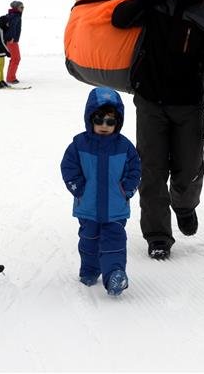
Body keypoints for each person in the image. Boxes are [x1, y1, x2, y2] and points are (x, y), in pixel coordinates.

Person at [111, 0, 204, 260]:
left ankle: (184, 204)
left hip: (188, 105)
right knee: (150, 171)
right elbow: (119, 20)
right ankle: (157, 234)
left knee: (189, 170)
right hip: (150, 100)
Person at [61, 87, 141, 295]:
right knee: (89, 241)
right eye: (99, 120)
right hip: (88, 207)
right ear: (90, 118)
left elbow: (135, 169)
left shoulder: (125, 147)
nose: (104, 126)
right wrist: (78, 188)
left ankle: (115, 274)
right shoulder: (79, 144)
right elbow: (68, 167)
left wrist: (127, 189)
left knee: (114, 241)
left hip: (115, 208)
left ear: (118, 122)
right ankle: (89, 269)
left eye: (110, 121)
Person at [4, 0, 24, 84]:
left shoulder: (12, 15)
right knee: (16, 58)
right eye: (21, 7)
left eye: (23, 7)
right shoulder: (15, 16)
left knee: (14, 58)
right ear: (16, 8)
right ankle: (11, 78)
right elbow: (12, 27)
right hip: (12, 41)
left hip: (11, 40)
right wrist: (11, 37)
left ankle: (10, 77)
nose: (23, 9)